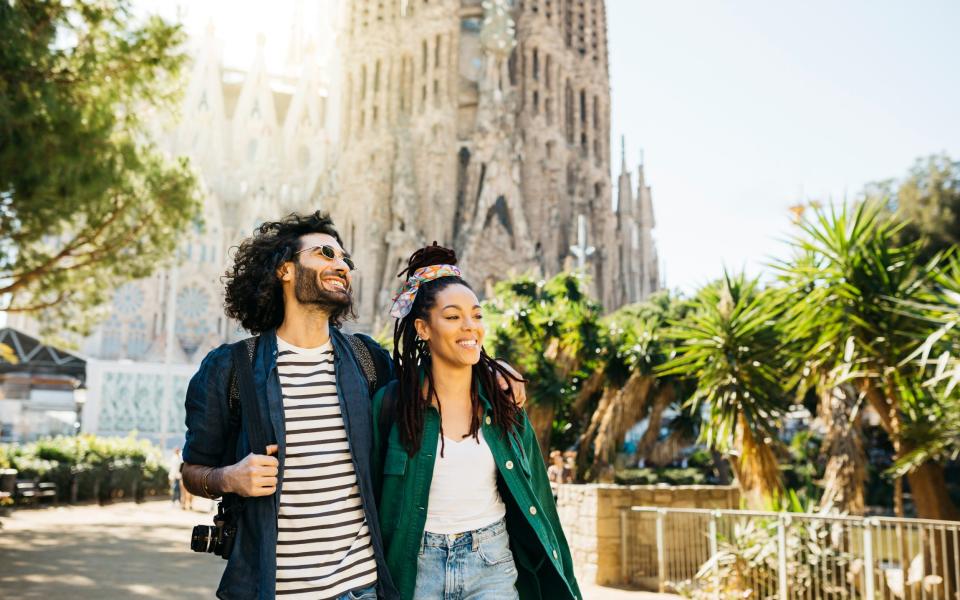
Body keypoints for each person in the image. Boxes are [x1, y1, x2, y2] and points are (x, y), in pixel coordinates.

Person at [180, 212, 396, 600]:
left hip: (362, 587)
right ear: (284, 269)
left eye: (346, 260)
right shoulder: (231, 369)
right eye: (326, 253)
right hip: (273, 590)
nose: (341, 265)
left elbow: (430, 399)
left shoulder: (368, 361)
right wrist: (229, 478)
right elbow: (193, 471)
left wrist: (492, 374)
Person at [372, 244, 581, 600]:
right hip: (416, 567)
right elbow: (371, 497)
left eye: (477, 315)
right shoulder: (392, 405)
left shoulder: (504, 404)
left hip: (491, 562)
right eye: (452, 317)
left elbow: (540, 499)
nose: (469, 327)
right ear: (423, 328)